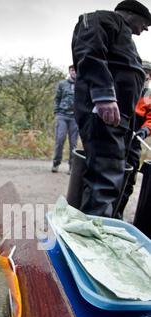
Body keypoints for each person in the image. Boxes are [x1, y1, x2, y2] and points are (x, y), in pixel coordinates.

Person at [71, 0, 151, 217]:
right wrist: (103, 95)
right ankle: (93, 232)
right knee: (105, 176)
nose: (144, 30)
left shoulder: (122, 33)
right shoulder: (103, 19)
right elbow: (90, 52)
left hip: (118, 119)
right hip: (103, 113)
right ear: (132, 13)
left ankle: (104, 219)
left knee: (112, 172)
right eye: (145, 24)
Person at [115, 60, 151, 218]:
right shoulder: (123, 87)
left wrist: (145, 130)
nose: (147, 76)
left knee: (129, 178)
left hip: (135, 139)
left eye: (149, 74)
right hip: (117, 134)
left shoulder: (149, 96)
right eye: (144, 72)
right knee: (110, 172)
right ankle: (104, 210)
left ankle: (118, 212)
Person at [51, 65, 79, 174]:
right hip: (62, 115)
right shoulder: (62, 84)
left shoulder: (81, 84)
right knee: (60, 139)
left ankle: (72, 167)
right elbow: (57, 98)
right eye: (72, 70)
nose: (74, 72)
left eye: (76, 70)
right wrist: (57, 112)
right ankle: (56, 163)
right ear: (69, 72)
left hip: (75, 117)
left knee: (73, 143)